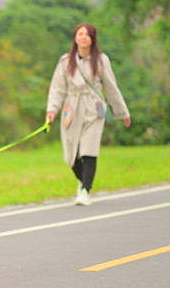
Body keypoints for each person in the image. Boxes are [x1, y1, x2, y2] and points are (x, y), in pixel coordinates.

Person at [46, 23, 131, 206]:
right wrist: (52, 110)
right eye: (80, 34)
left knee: (89, 150)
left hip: (94, 109)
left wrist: (122, 112)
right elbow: (57, 88)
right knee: (71, 155)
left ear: (93, 38)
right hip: (71, 109)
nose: (83, 37)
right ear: (75, 37)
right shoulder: (65, 61)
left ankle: (85, 190)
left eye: (87, 34)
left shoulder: (101, 60)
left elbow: (111, 87)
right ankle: (82, 180)